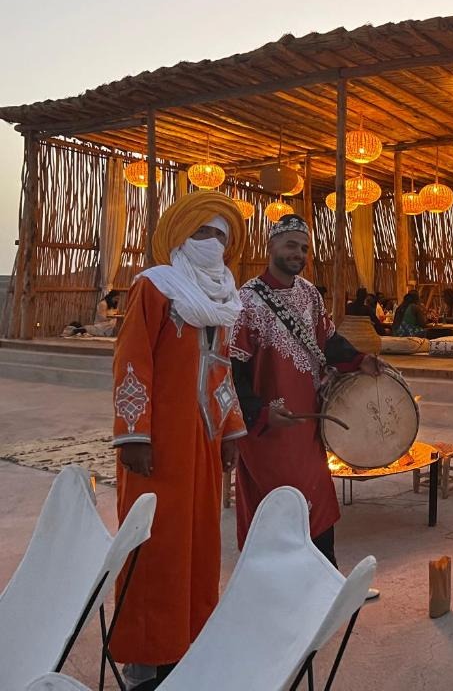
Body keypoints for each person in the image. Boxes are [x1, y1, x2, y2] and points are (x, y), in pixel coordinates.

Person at [110, 191, 246, 689]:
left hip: (205, 441)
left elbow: (222, 371)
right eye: (204, 232)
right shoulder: (155, 287)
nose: (213, 243)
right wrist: (133, 435)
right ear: (182, 236)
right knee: (155, 542)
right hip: (158, 444)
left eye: (221, 236)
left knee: (200, 540)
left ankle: (189, 640)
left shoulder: (223, 301)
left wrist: (232, 430)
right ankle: (145, 656)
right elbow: (132, 359)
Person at [229, 214, 384, 570]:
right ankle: (280, 588)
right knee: (281, 507)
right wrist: (262, 414)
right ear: (270, 247)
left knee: (318, 500)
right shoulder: (247, 303)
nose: (298, 253)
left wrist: (360, 360)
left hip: (308, 427)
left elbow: (326, 340)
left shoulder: (309, 293)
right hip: (270, 432)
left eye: (304, 247)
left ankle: (325, 581)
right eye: (290, 245)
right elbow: (231, 371)